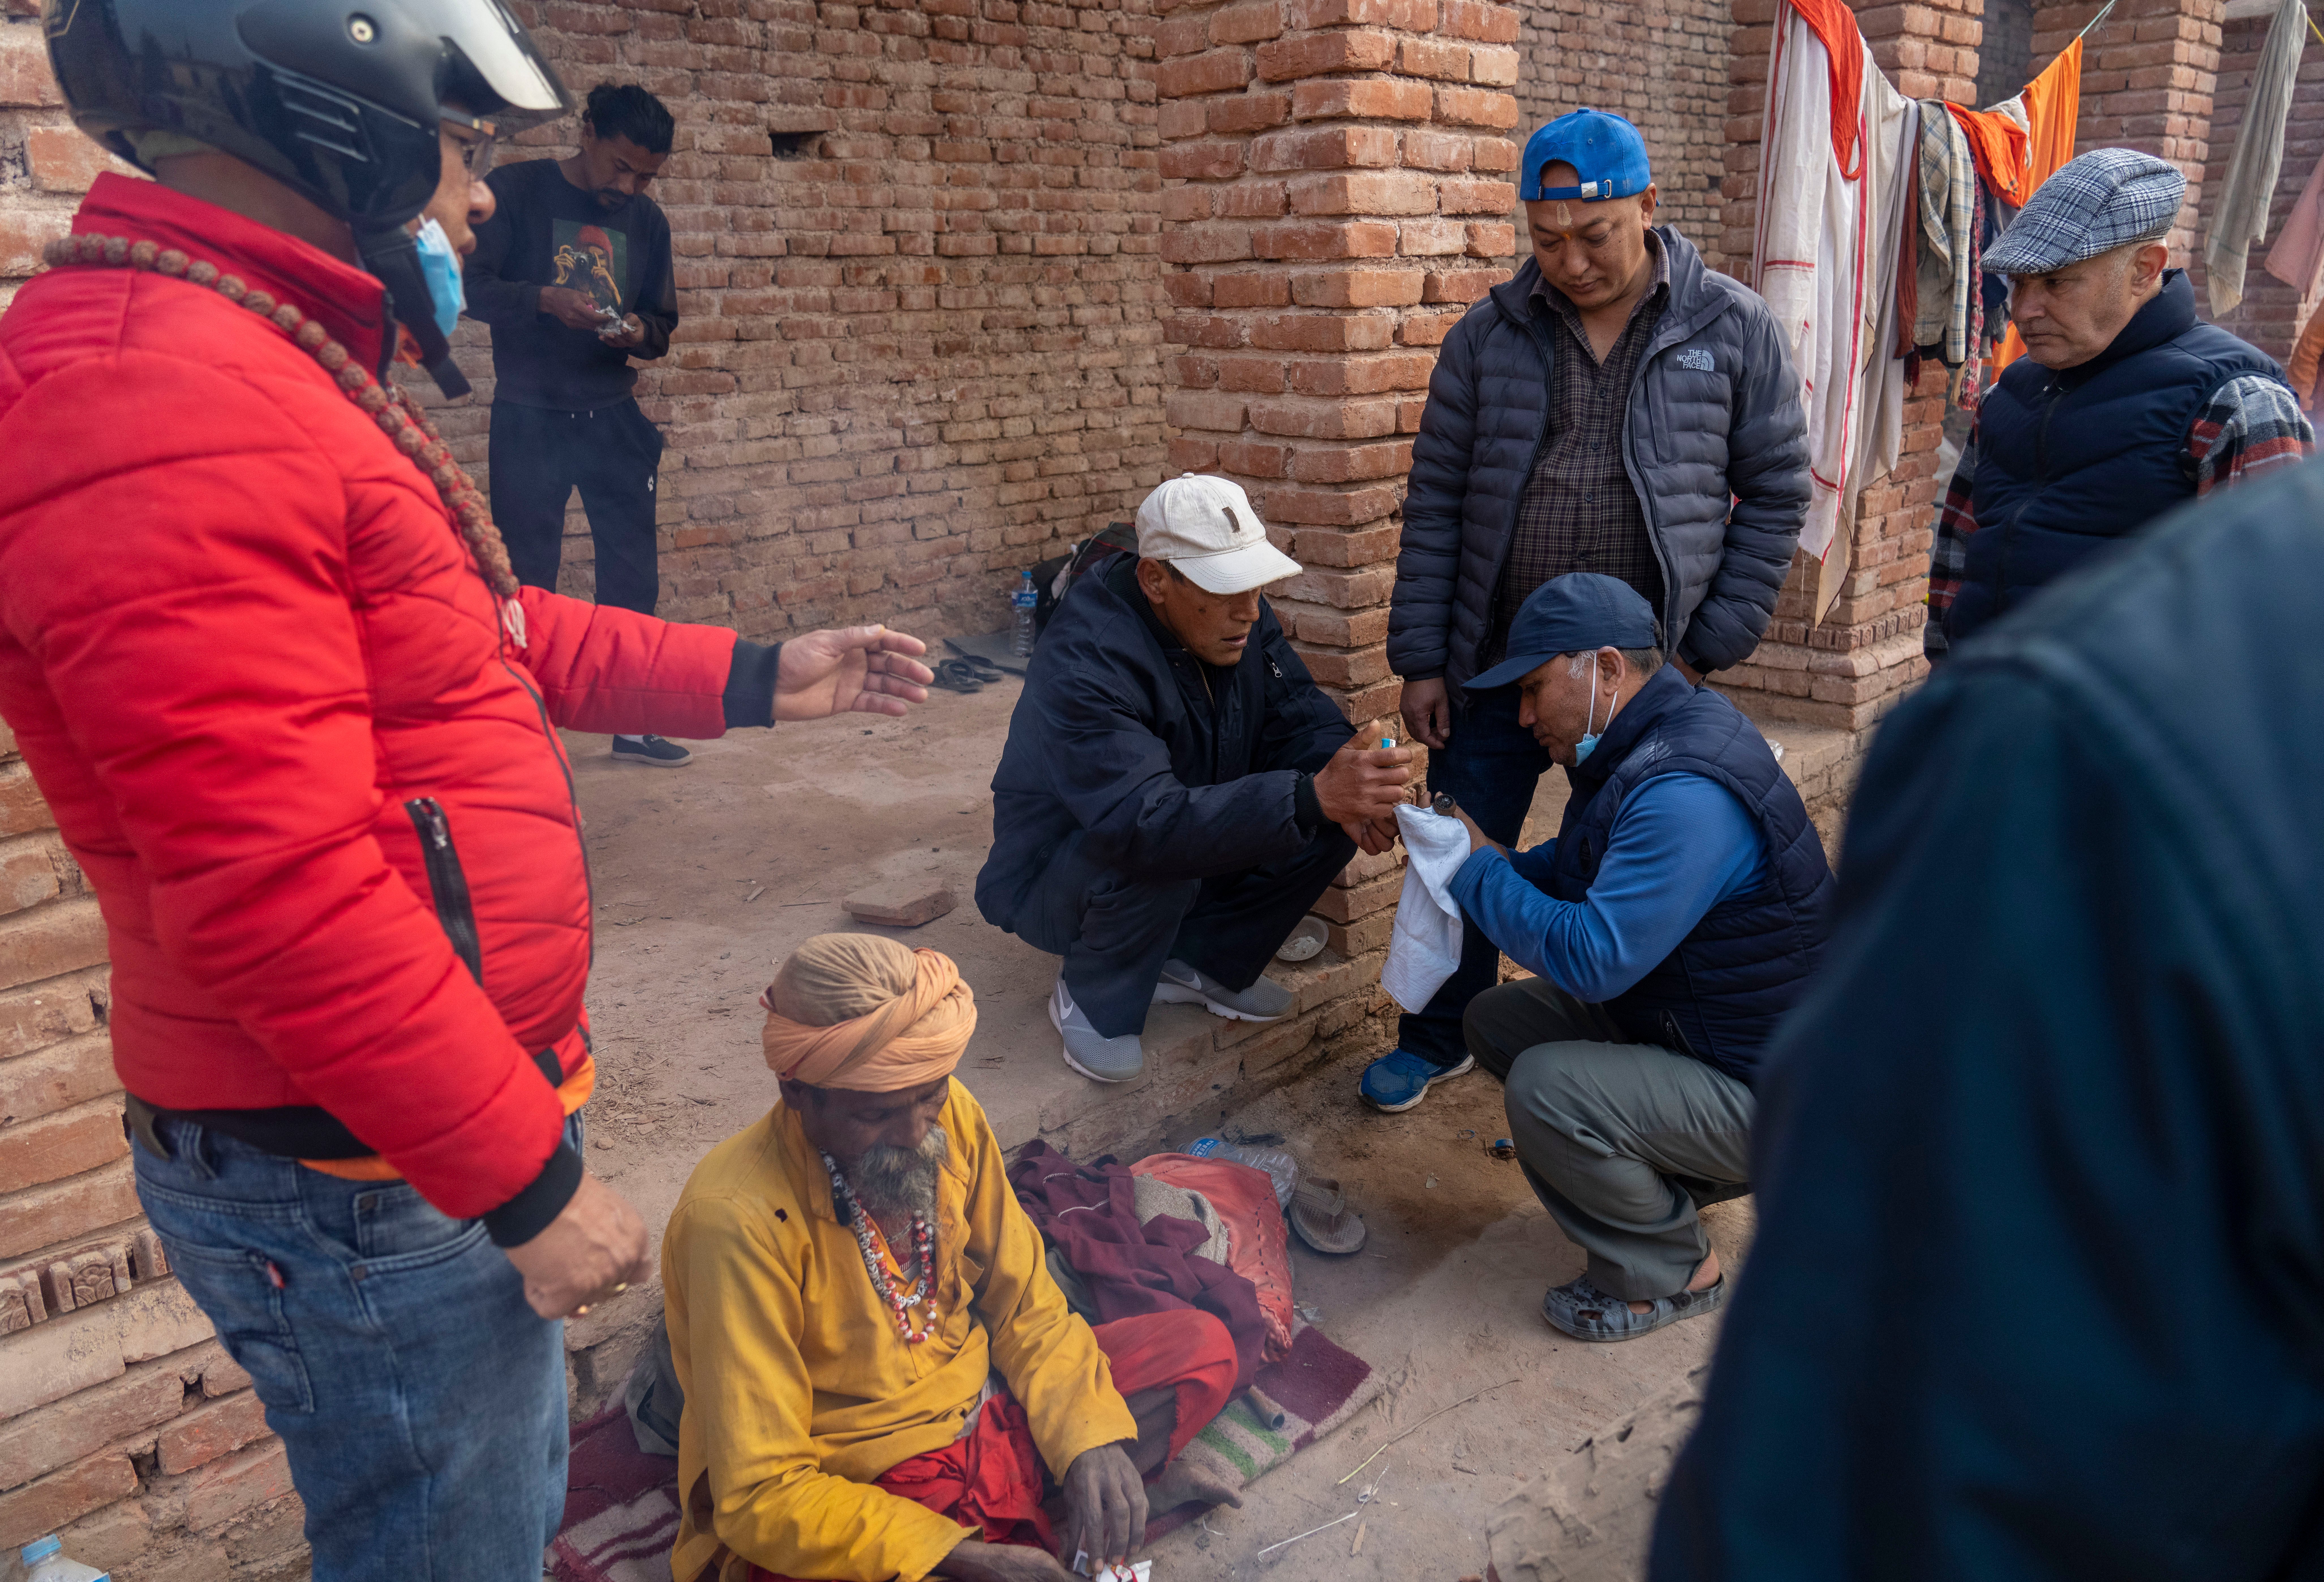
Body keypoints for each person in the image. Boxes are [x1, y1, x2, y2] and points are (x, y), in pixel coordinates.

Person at [0, 6, 931, 1579]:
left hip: (390, 1145)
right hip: (361, 1175)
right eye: (460, 145)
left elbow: (490, 632)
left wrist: (760, 674)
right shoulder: (164, 399)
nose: (481, 197)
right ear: (329, 122)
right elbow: (276, 887)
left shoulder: (255, 356)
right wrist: (528, 1179)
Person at [1649, 419, 2324, 1582]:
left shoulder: (2086, 746)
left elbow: (1884, 1470)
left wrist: (1481, 879)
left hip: (1756, 1079)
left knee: (1559, 1076)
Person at [1376, 107, 1810, 1113]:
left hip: (1641, 675)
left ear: (1648, 208)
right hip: (1496, 658)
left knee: (1615, 853)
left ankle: (1623, 1039)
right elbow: (1435, 499)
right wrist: (1421, 659)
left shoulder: (1731, 327)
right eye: (1544, 239)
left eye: (1593, 235)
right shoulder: (1487, 338)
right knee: (1466, 836)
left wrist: (1710, 647)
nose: (1567, 262)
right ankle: (1439, 1031)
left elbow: (1779, 491)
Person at [663, 934, 1240, 1582]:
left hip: (989, 1412)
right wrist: (959, 1560)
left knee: (1202, 1345)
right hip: (863, 1481)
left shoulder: (950, 1117)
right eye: (875, 1115)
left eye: (928, 1096)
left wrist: (1087, 1437)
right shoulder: (734, 1221)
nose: (914, 1136)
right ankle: (1042, 1521)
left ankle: (1060, 1502)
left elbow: (1026, 1304)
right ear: (797, 1093)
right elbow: (762, 1493)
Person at [1437, 576, 1832, 1342]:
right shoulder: (1652, 737)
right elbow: (1588, 861)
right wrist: (1497, 863)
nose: (1523, 718)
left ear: (1607, 670)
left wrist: (1478, 872)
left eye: (1533, 689)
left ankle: (1671, 1272)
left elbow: (1592, 960)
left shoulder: (1684, 789)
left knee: (1548, 1087)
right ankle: (1658, 1183)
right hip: (1724, 1039)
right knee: (1498, 1020)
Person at [975, 475, 1412, 1083]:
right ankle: (1093, 991)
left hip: (1182, 818)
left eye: (1254, 586)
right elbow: (1142, 823)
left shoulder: (1238, 616)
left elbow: (1297, 715)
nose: (1250, 609)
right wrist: (1312, 795)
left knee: (1333, 807)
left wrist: (1355, 772)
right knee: (1205, 835)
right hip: (1058, 873)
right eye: (1226, 589)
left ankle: (1197, 961)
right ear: (1156, 580)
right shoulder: (1087, 662)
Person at [1926, 147, 2313, 659]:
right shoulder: (2008, 395)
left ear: (2143, 270)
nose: (2023, 310)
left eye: (2056, 282)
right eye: (2018, 284)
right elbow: (1958, 553)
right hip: (1985, 711)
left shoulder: (2237, 405)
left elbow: (2273, 618)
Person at [465, 82, 689, 766]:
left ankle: (632, 718)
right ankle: (528, 724)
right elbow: (470, 288)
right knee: (530, 576)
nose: (630, 185)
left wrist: (633, 333)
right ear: (587, 132)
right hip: (529, 415)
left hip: (613, 416)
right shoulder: (517, 192)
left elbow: (662, 328)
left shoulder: (648, 223)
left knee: (632, 576)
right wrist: (543, 300)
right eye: (622, 166)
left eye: (646, 175)